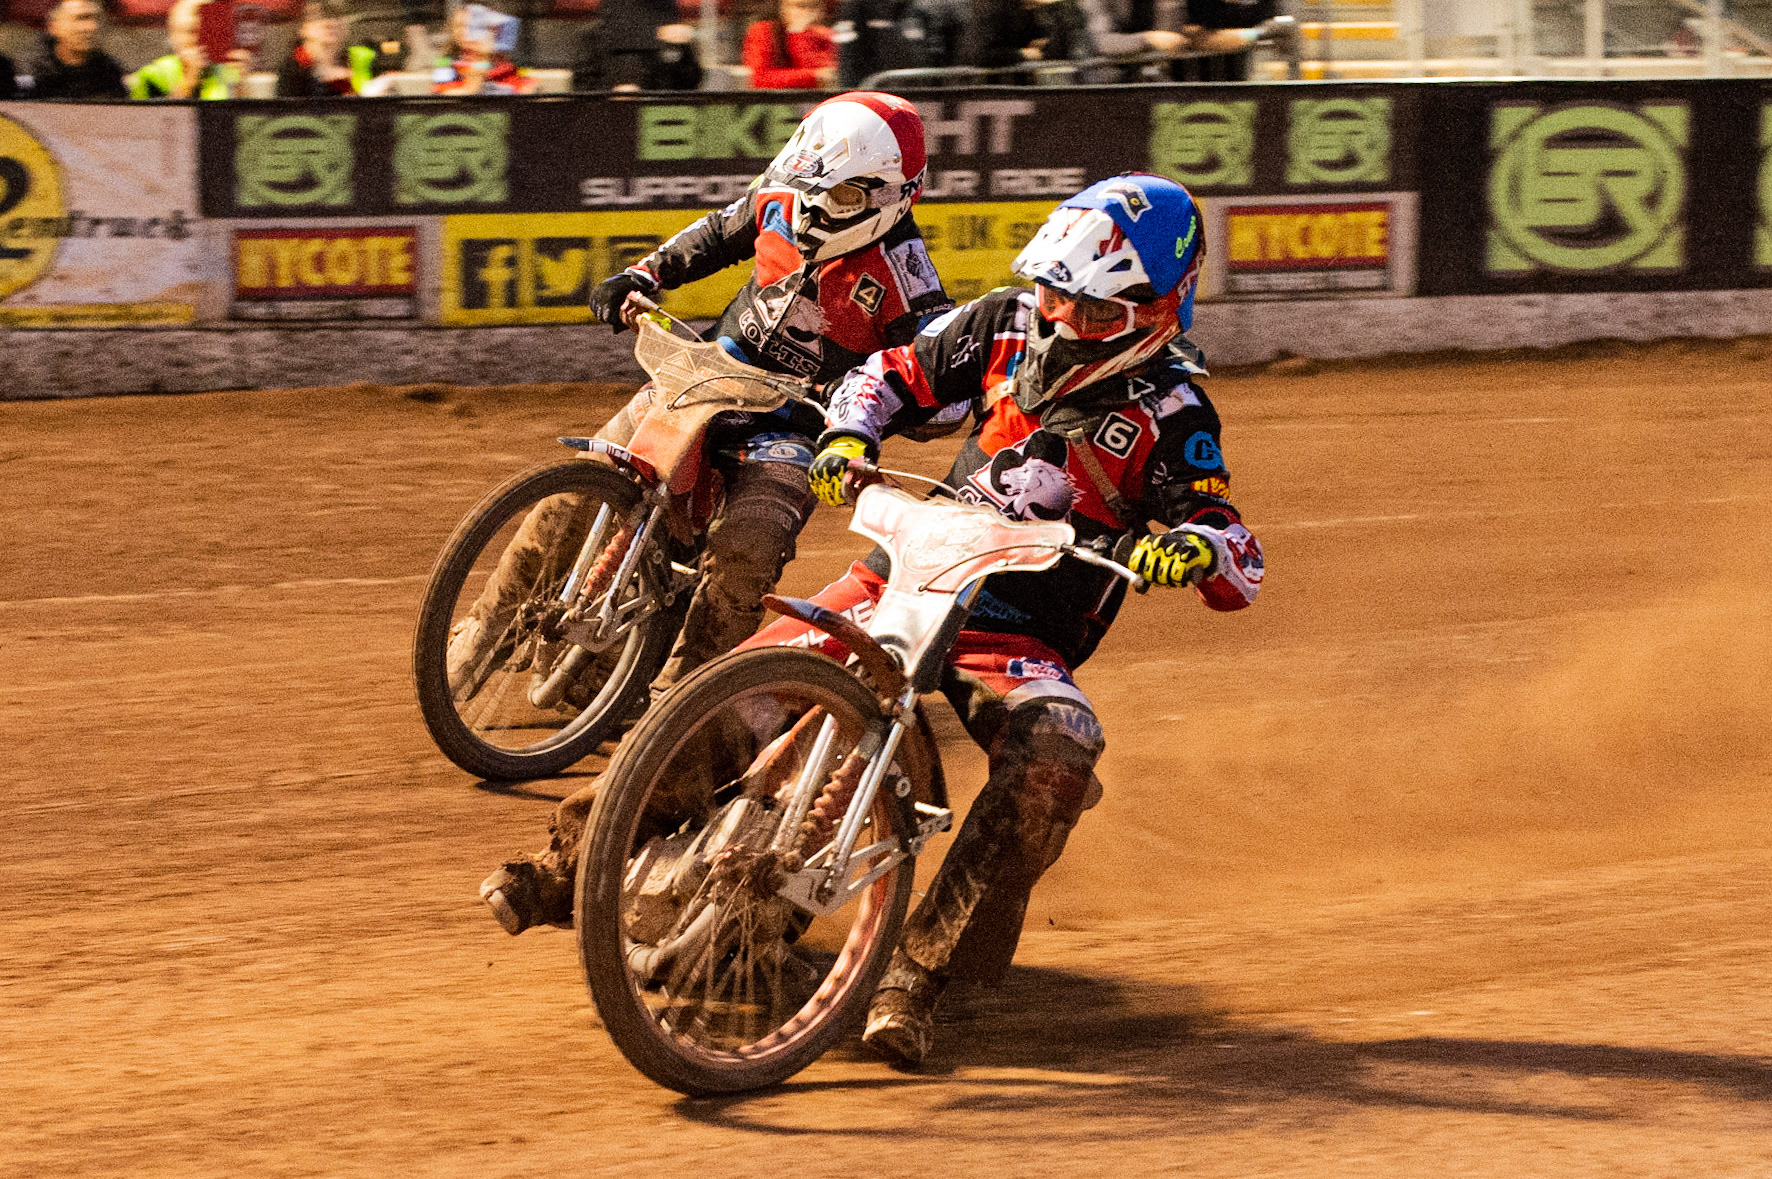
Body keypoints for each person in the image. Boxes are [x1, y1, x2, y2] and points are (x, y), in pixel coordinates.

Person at [769, 173, 1266, 1063]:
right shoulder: (1000, 322)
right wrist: (850, 434)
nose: (1062, 323)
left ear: (1160, 310)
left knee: (1060, 750)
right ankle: (578, 855)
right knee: (750, 673)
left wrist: (1196, 548)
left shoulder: (1175, 412)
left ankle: (920, 978)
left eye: (1093, 313)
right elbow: (889, 374)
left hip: (1015, 635)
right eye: (1053, 295)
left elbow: (1230, 541)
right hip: (904, 578)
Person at [476, 92, 955, 935]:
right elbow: (713, 236)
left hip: (796, 425)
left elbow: (934, 384)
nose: (816, 210)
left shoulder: (907, 283)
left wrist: (894, 409)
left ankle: (675, 700)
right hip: (711, 370)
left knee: (742, 559)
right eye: (815, 187)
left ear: (891, 198)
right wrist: (643, 275)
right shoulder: (784, 198)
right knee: (589, 473)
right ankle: (486, 626)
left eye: (841, 201)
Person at [128, 0, 253, 99]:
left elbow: (242, 123)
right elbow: (153, 121)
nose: (198, 40)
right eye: (190, 31)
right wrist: (188, 83)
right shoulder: (154, 75)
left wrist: (243, 84)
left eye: (206, 31)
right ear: (173, 36)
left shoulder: (228, 71)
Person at [572, 0, 703, 91]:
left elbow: (690, 84)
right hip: (611, 119)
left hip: (661, 117)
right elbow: (582, 87)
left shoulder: (671, 28)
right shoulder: (595, 33)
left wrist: (683, 51)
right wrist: (612, 92)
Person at [831, 0, 966, 88]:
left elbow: (937, 59)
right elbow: (848, 65)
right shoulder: (855, 8)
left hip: (918, 99)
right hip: (873, 100)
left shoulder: (926, 10)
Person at [21, 0, 129, 99]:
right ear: (54, 26)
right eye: (80, 18)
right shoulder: (31, 72)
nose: (91, 27)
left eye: (96, 18)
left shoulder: (109, 73)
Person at [277, 0, 376, 96]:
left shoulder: (356, 62)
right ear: (303, 28)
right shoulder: (294, 69)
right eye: (319, 17)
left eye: (337, 16)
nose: (330, 23)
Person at [431, 4, 535, 94]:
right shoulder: (446, 62)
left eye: (475, 27)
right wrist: (478, 70)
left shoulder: (507, 63)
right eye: (460, 26)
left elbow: (527, 88)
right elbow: (442, 92)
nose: (466, 32)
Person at [742, 0, 836, 89]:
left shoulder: (824, 34)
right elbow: (760, 79)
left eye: (814, 7)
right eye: (800, 6)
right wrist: (813, 75)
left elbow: (828, 75)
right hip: (775, 101)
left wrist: (801, 35)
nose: (807, 13)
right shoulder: (763, 31)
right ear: (782, 8)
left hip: (814, 97)